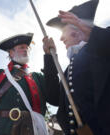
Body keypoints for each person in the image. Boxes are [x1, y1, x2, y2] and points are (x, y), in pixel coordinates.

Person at [43, 0, 110, 134]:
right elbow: (54, 98)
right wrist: (50, 58)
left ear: (77, 29)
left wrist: (91, 32)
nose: (61, 38)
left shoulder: (101, 51)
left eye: (64, 30)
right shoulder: (70, 69)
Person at [0, 33, 59, 135]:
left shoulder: (38, 77)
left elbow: (55, 99)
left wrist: (49, 57)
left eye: (27, 48)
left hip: (32, 130)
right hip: (1, 129)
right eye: (21, 47)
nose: (26, 49)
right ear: (11, 53)